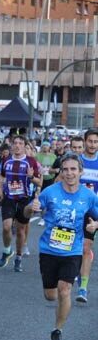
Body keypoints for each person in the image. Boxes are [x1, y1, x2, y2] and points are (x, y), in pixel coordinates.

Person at [25, 154, 98, 340]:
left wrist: (95, 225)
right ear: (61, 172)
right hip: (49, 250)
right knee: (51, 295)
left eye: (73, 169)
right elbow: (27, 212)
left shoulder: (89, 196)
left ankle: (58, 330)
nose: (69, 173)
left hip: (72, 251)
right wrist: (31, 208)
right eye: (65, 169)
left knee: (65, 290)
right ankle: (56, 305)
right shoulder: (50, 192)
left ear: (81, 172)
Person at [0, 134, 41, 273]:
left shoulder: (31, 161)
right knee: (6, 226)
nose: (17, 145)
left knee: (21, 230)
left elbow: (39, 182)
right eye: (15, 143)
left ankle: (19, 257)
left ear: (24, 146)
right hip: (9, 198)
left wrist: (31, 177)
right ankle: (7, 250)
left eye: (20, 143)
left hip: (24, 199)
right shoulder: (7, 160)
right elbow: (2, 176)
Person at [77, 129, 98, 302]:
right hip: (73, 210)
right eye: (90, 141)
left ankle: (83, 288)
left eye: (95, 142)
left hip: (92, 212)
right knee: (72, 248)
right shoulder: (77, 161)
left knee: (85, 248)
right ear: (85, 141)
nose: (92, 145)